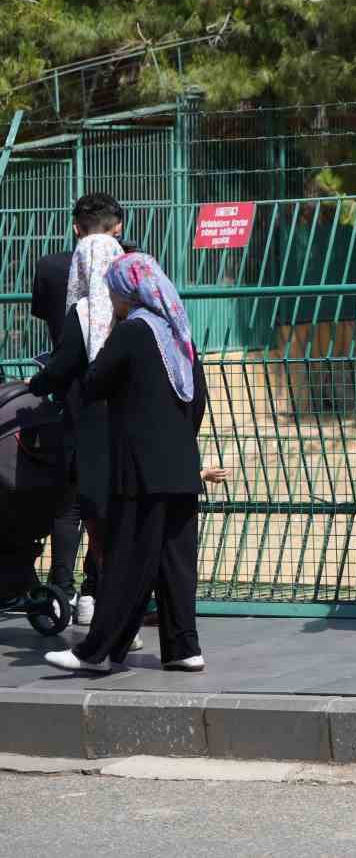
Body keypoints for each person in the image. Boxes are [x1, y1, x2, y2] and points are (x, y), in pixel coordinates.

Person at [45, 255, 206, 673]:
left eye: (115, 289)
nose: (112, 297)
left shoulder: (133, 332)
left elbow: (96, 380)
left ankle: (94, 653)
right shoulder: (180, 336)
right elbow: (197, 401)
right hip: (182, 469)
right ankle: (184, 648)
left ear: (129, 291)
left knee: (126, 561)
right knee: (175, 564)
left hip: (141, 470)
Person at [29, 194, 126, 625]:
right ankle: (96, 589)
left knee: (69, 499)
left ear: (75, 228)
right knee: (113, 500)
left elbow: (50, 324)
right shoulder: (132, 265)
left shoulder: (52, 268)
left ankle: (60, 591)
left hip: (72, 396)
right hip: (121, 400)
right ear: (117, 230)